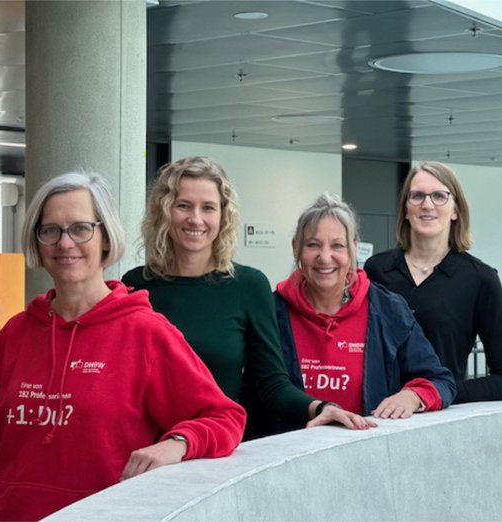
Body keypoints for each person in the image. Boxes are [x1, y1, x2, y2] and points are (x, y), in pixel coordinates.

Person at [0, 170, 246, 521]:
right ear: (37, 241)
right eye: (51, 230)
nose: (65, 243)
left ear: (105, 238)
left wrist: (177, 444)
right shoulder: (14, 334)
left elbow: (225, 417)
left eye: (80, 228)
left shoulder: (145, 333)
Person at [122, 156, 373, 436]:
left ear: (223, 216)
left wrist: (320, 407)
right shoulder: (135, 286)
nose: (196, 218)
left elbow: (272, 383)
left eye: (208, 208)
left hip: (215, 447)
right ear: (165, 211)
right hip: (147, 449)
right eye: (183, 206)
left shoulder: (248, 286)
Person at [273, 192, 455, 429]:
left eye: (337, 245)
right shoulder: (272, 312)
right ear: (296, 247)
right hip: (290, 458)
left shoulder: (388, 310)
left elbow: (441, 381)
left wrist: (411, 396)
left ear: (353, 249)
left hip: (367, 457)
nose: (325, 257)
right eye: (313, 245)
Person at [365, 161, 502, 403]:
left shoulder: (480, 279)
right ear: (406, 209)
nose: (427, 205)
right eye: (417, 196)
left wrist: (435, 393)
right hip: (374, 416)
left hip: (438, 423)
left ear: (456, 211)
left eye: (439, 196)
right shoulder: (376, 270)